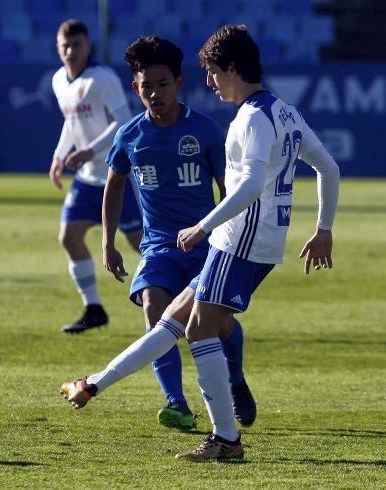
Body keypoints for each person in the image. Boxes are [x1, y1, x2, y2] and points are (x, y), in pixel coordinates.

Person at [61, 24, 340, 461]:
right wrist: (322, 229)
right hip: (251, 240)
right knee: (171, 321)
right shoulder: (283, 111)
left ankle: (225, 440)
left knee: (197, 329)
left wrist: (203, 227)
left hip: (239, 240)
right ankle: (93, 383)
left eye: (212, 71)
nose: (209, 81)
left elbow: (247, 187)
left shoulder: (252, 118)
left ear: (231, 68)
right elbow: (329, 167)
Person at [101, 35, 256, 431]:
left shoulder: (204, 131)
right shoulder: (130, 136)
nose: (155, 93)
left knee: (215, 326)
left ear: (179, 82)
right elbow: (114, 184)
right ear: (135, 88)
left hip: (208, 247)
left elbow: (229, 190)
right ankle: (176, 402)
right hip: (158, 248)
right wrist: (108, 242)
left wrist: (229, 239)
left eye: (162, 84)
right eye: (146, 86)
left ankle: (235, 380)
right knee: (154, 308)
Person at [50, 19, 143, 334]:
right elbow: (70, 121)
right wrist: (59, 155)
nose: (71, 51)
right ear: (57, 48)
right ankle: (93, 308)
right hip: (89, 179)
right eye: (65, 45)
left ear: (88, 46)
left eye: (77, 45)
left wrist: (89, 150)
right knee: (69, 236)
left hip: (118, 175)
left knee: (140, 242)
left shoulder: (102, 78)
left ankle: (175, 294)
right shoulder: (59, 81)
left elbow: (124, 122)